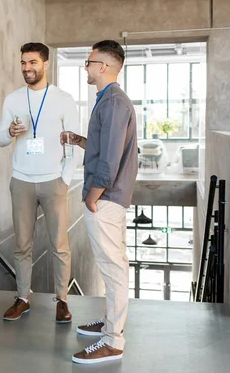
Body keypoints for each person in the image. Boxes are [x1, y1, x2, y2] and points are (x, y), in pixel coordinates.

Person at [61, 40, 138, 364]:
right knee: (112, 265)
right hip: (107, 196)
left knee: (112, 267)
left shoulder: (114, 102)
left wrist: (93, 195)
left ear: (103, 66)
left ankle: (112, 341)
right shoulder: (108, 100)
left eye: (90, 61)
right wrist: (79, 140)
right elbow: (104, 145)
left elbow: (110, 157)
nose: (86, 67)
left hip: (105, 197)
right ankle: (110, 325)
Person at [0, 42, 81, 323]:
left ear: (46, 64)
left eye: (32, 62)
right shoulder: (13, 99)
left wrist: (65, 179)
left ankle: (62, 300)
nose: (27, 68)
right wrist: (9, 131)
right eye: (23, 63)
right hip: (21, 180)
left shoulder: (63, 99)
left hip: (53, 181)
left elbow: (75, 142)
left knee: (59, 245)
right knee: (22, 245)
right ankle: (23, 298)